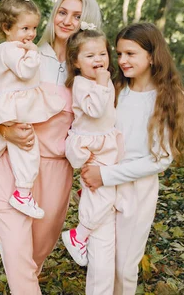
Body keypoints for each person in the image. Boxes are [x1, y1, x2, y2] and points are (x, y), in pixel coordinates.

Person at [0, 0, 103, 294]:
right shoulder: (25, 53)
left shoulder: (90, 67)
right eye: (62, 12)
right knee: (15, 247)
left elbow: (100, 121)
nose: (67, 21)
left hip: (57, 170)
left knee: (36, 252)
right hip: (15, 161)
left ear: (86, 22)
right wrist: (4, 128)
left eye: (77, 16)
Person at [81, 22, 184, 295]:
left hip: (137, 192)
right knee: (100, 265)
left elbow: (161, 159)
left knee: (123, 268)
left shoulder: (171, 99)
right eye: (118, 54)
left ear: (152, 55)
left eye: (130, 54)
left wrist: (105, 175)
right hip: (101, 189)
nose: (121, 61)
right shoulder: (115, 90)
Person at [0, 0, 66, 219]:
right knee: (26, 147)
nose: (31, 34)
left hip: (6, 104)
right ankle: (23, 192)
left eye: (34, 28)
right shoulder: (12, 49)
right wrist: (34, 53)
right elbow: (25, 72)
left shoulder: (5, 48)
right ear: (7, 28)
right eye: (25, 28)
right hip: (14, 106)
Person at [60, 25, 123, 267]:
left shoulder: (99, 81)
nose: (98, 60)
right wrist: (102, 81)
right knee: (106, 195)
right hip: (90, 146)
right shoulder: (82, 84)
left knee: (104, 191)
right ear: (76, 62)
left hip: (102, 143)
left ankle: (86, 194)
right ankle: (78, 236)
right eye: (90, 56)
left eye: (102, 54)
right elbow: (96, 110)